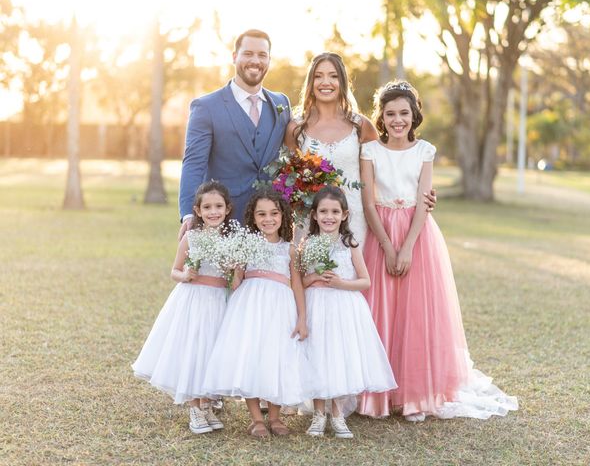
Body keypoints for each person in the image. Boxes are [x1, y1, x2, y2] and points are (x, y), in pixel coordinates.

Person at [357, 81, 518, 421]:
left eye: (403, 113)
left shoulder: (425, 151)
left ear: (414, 115)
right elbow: (369, 204)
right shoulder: (370, 151)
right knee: (381, 312)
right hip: (380, 232)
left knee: (416, 314)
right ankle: (378, 395)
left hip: (417, 234)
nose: (397, 120)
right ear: (381, 118)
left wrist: (408, 247)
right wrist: (387, 246)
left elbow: (423, 202)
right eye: (390, 114)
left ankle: (415, 393)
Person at [284, 52, 437, 244]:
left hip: (354, 218)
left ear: (342, 82)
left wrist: (419, 196)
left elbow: (387, 165)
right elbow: (288, 180)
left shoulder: (361, 126)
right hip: (310, 219)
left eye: (333, 76)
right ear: (310, 82)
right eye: (318, 76)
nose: (325, 82)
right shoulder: (296, 128)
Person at [202, 188, 311, 438]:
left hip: (280, 307)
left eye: (274, 213)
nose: (268, 219)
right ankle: (255, 418)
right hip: (249, 305)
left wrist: (302, 318)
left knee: (276, 356)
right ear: (253, 217)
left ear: (283, 216)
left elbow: (296, 284)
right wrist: (231, 270)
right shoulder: (246, 244)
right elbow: (236, 280)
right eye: (261, 214)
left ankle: (274, 416)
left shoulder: (290, 249)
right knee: (250, 355)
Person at [132, 180, 233, 434]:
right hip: (194, 299)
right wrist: (186, 274)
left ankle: (208, 403)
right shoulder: (191, 236)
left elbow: (235, 275)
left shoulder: (232, 238)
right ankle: (194, 407)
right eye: (207, 207)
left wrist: (233, 270)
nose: (213, 212)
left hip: (218, 300)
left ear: (228, 209)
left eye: (218, 206)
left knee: (212, 351)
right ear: (197, 211)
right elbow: (174, 271)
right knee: (194, 349)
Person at [301, 186, 396, 439]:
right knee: (318, 356)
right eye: (323, 211)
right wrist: (315, 277)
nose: (328, 217)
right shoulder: (306, 243)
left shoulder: (349, 243)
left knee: (339, 356)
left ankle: (337, 413)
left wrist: (342, 283)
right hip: (316, 306)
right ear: (314, 215)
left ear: (344, 215)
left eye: (334, 211)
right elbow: (297, 282)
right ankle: (318, 414)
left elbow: (365, 281)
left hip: (343, 307)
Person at [179, 29, 291, 236]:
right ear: (234, 57)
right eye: (248, 54)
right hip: (224, 219)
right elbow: (193, 163)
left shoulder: (281, 103)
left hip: (270, 224)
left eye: (262, 55)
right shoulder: (206, 107)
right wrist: (188, 214)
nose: (255, 61)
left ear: (269, 59)